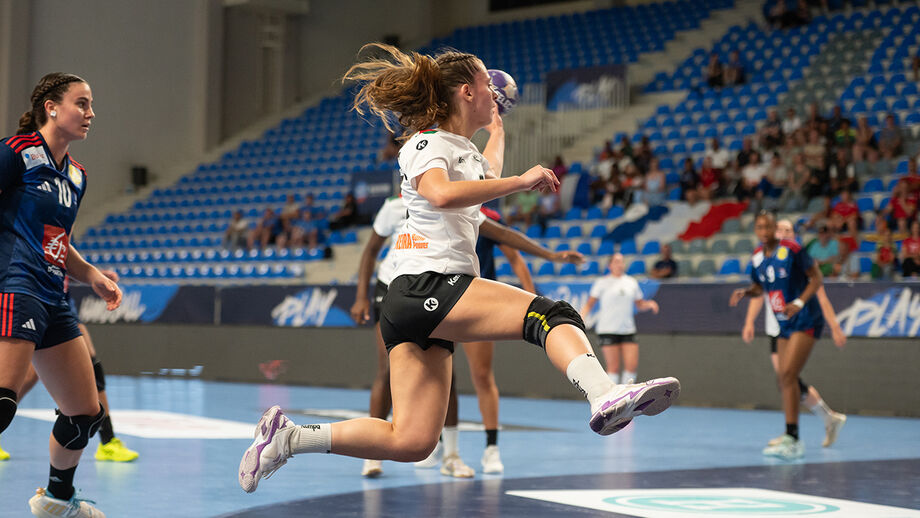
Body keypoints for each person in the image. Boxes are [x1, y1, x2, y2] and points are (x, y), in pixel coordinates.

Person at [240, 44, 680, 494]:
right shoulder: (426, 143)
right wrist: (524, 180)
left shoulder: (463, 151)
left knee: (412, 440)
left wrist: (497, 128)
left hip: (414, 301)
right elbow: (441, 194)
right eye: (488, 83)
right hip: (428, 284)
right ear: (467, 92)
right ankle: (603, 393)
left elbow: (484, 175)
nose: (495, 89)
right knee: (550, 315)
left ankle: (289, 439)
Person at [0, 72, 123, 517]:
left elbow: (58, 241)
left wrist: (92, 275)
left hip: (55, 296)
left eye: (90, 105)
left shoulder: (76, 175)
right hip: (17, 285)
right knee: (3, 401)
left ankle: (56, 500)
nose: (91, 113)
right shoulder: (15, 153)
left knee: (83, 414)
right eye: (82, 103)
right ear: (51, 107)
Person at [8, 272, 138, 463]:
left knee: (93, 369)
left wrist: (92, 273)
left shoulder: (60, 243)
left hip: (61, 299)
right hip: (32, 296)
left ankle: (108, 441)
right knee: (26, 377)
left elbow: (61, 261)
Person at [730, 212, 825, 460]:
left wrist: (800, 302)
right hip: (784, 323)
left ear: (775, 228)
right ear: (755, 229)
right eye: (759, 227)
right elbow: (761, 287)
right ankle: (790, 434)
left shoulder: (792, 249)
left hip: (805, 318)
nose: (764, 231)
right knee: (783, 379)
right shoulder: (758, 256)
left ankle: (793, 440)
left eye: (768, 226)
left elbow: (816, 278)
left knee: (788, 374)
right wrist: (746, 292)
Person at [580, 254, 660, 385]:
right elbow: (589, 304)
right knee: (614, 368)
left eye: (622, 262)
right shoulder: (601, 283)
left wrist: (649, 304)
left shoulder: (631, 282)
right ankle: (612, 400)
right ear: (610, 265)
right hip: (607, 330)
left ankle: (628, 399)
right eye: (616, 262)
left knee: (631, 367)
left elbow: (640, 305)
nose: (620, 264)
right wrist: (581, 317)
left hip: (628, 330)